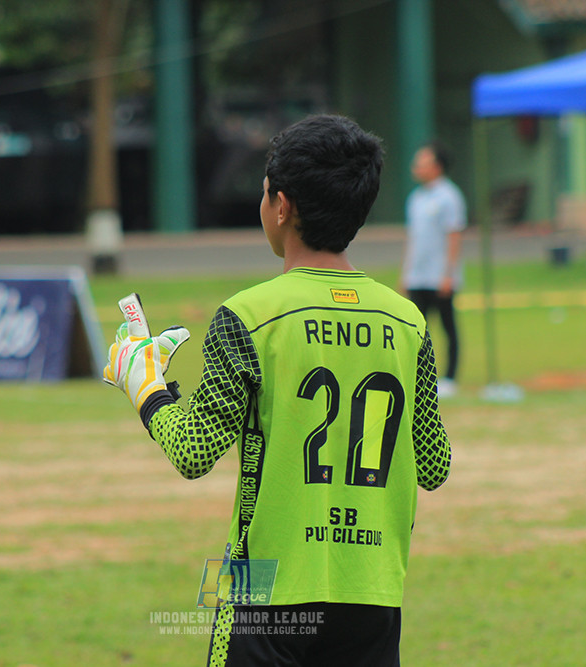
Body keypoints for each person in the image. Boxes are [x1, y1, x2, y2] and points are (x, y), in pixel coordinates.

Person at [103, 114, 451, 666]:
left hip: (261, 586)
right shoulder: (408, 322)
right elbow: (433, 466)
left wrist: (144, 386)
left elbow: (193, 451)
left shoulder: (248, 314)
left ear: (281, 205)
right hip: (373, 591)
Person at [399, 140, 467, 398]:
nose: (416, 167)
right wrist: (405, 274)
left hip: (439, 276)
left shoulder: (449, 196)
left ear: (437, 166)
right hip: (418, 276)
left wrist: (448, 274)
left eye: (422, 163)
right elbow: (413, 239)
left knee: (448, 326)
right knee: (417, 330)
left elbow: (454, 236)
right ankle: (419, 377)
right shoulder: (416, 198)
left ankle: (449, 378)